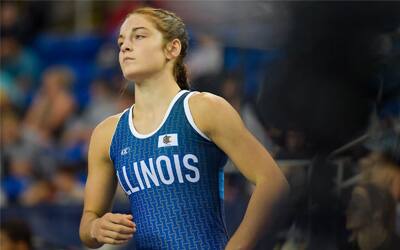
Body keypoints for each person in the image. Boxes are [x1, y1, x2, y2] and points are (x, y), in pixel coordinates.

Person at [79, 7, 289, 249]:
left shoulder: (203, 109)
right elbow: (88, 221)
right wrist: (96, 227)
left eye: (139, 36)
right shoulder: (107, 133)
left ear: (172, 48)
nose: (125, 46)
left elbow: (273, 183)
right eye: (121, 41)